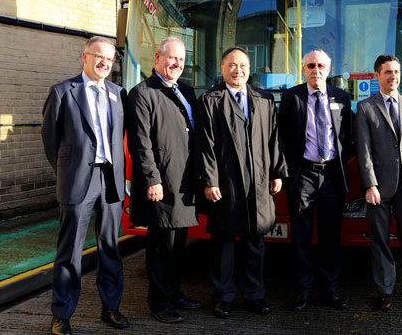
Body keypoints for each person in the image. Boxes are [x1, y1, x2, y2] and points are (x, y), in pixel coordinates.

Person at [41, 36, 128, 335]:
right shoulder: (63, 91)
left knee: (110, 247)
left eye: (110, 59)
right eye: (98, 56)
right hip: (78, 180)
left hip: (111, 180)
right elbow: (50, 140)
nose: (104, 63)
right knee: (70, 251)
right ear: (84, 57)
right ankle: (61, 314)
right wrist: (67, 171)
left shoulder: (118, 93)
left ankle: (111, 308)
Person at [194, 47, 287, 318]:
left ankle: (254, 295)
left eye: (243, 65)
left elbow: (274, 138)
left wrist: (277, 172)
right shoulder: (210, 100)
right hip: (226, 182)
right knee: (223, 242)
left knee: (254, 241)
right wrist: (209, 180)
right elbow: (205, 144)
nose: (238, 70)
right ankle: (222, 297)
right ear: (222, 69)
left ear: (249, 69)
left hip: (258, 180)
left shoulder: (264, 98)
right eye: (232, 65)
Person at [126, 37, 203, 323]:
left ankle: (175, 293)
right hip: (162, 184)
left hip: (184, 182)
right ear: (157, 58)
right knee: (160, 247)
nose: (177, 64)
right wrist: (152, 180)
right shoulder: (142, 93)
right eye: (172, 58)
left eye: (181, 59)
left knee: (177, 244)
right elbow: (140, 143)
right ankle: (159, 303)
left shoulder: (185, 90)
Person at [355, 55, 402, 310]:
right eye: (388, 72)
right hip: (379, 187)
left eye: (397, 72)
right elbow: (364, 151)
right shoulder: (365, 107)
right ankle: (385, 290)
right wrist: (370, 185)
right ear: (377, 75)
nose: (393, 77)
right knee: (380, 240)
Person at [278, 50, 352, 312]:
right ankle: (303, 290)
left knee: (331, 234)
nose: (316, 70)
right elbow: (282, 135)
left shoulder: (342, 97)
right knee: (301, 235)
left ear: (328, 70)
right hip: (303, 175)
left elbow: (347, 135)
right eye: (310, 65)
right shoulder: (291, 97)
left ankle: (330, 289)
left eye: (321, 66)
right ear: (303, 69)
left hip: (332, 175)